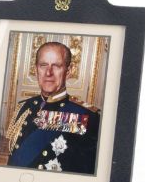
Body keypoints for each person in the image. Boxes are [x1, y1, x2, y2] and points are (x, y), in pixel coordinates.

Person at [6, 42, 100, 174]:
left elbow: (86, 171)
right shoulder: (24, 107)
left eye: (56, 66)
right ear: (36, 69)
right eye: (43, 65)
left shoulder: (85, 115)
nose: (48, 73)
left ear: (69, 71)